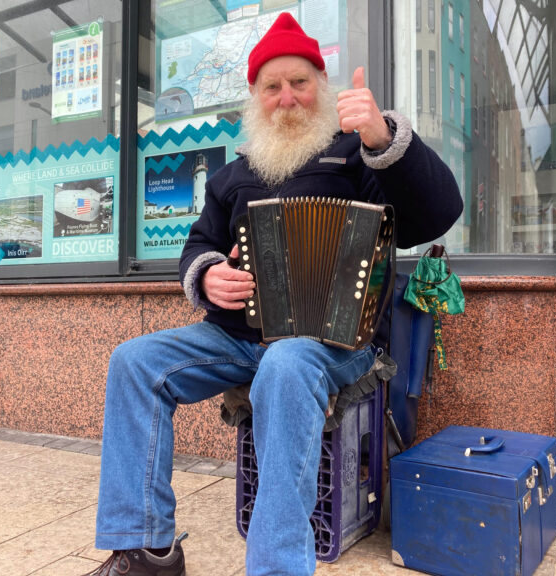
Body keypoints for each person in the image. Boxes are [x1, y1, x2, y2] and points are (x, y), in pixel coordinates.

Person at [87, 12, 462, 576]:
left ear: (321, 86)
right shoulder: (231, 176)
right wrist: (208, 275)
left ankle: (278, 568)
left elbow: (436, 215)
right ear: (254, 97)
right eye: (273, 86)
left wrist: (384, 137)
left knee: (287, 363)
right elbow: (198, 248)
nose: (287, 98)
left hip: (336, 341)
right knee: (134, 362)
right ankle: (147, 551)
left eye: (300, 82)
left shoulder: (356, 154)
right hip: (238, 337)